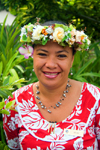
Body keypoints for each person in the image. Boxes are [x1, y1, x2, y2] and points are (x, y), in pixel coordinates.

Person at [3, 20, 100, 150]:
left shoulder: (95, 100)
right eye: (42, 54)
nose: (50, 64)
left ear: (72, 60)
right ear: (32, 56)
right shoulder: (14, 104)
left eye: (61, 56)